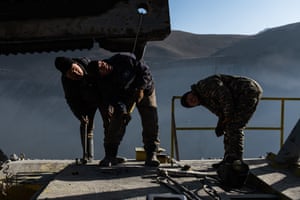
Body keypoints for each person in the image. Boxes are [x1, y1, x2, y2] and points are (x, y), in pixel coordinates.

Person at [89, 53, 161, 167]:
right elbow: (114, 99)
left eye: (101, 63)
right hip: (125, 97)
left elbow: (145, 71)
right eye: (100, 69)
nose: (103, 66)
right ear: (100, 75)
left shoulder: (123, 59)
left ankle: (151, 154)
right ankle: (110, 155)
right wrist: (123, 111)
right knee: (117, 121)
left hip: (146, 90)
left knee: (150, 119)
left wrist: (141, 88)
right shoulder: (104, 85)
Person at [180, 74, 263, 168]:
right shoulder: (203, 100)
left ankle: (235, 161)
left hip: (245, 90)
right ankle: (228, 159)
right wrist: (221, 124)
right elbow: (220, 111)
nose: (192, 100)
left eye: (189, 98)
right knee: (228, 127)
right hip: (239, 96)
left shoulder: (204, 86)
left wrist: (227, 116)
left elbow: (224, 95)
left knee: (234, 126)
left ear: (190, 92)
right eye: (191, 103)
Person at [55, 56, 111, 164]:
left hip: (102, 97)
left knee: (110, 122)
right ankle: (87, 156)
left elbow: (107, 82)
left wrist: (110, 104)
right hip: (86, 102)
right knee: (85, 125)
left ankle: (111, 155)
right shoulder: (66, 81)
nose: (75, 74)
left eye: (74, 70)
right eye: (71, 74)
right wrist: (80, 115)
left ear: (75, 63)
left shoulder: (90, 65)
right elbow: (71, 100)